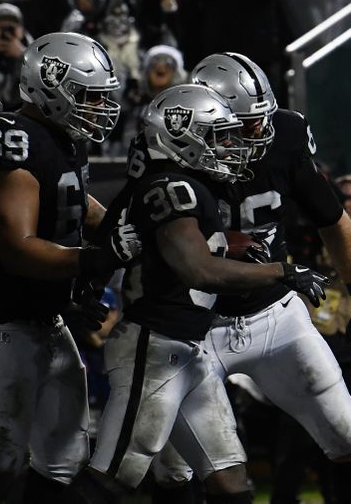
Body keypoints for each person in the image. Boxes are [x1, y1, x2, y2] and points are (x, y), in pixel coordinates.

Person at [63, 84, 329, 504]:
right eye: (219, 136)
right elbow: (198, 269)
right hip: (152, 347)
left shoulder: (191, 185)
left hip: (186, 348)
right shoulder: (171, 188)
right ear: (181, 136)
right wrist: (280, 271)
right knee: (113, 477)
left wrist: (237, 244)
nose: (230, 145)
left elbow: (167, 244)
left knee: (231, 483)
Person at [0, 31, 139, 504]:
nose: (99, 108)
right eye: (88, 96)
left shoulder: (65, 140)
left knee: (62, 460)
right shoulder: (7, 136)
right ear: (50, 85)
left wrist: (137, 231)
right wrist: (98, 258)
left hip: (41, 317)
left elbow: (81, 209)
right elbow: (17, 248)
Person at [145, 53, 351, 503]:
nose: (261, 133)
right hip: (192, 326)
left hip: (274, 314)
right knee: (178, 472)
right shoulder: (167, 146)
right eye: (244, 125)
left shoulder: (285, 134)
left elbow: (331, 217)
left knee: (347, 434)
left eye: (263, 119)